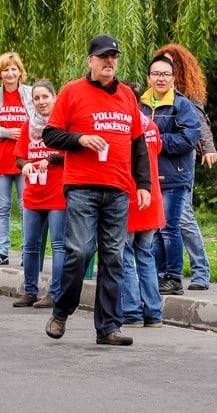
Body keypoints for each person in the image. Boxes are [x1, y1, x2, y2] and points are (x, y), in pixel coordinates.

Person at [41, 34, 151, 346]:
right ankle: (61, 312)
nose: (109, 61)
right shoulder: (72, 91)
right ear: (90, 60)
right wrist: (80, 140)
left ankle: (109, 327)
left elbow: (138, 143)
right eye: (103, 56)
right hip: (82, 187)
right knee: (79, 252)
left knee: (114, 257)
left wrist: (143, 185)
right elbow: (50, 134)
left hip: (118, 188)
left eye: (114, 57)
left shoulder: (128, 97)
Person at [153, 43, 216, 290]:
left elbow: (200, 124)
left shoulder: (185, 97)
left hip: (180, 163)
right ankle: (162, 273)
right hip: (159, 164)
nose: (164, 71)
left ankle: (201, 271)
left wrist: (208, 148)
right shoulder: (154, 96)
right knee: (165, 221)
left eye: (170, 65)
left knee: (183, 218)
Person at [140, 54, 200, 296]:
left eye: (165, 74)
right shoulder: (141, 105)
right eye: (156, 74)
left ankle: (173, 277)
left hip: (174, 176)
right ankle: (156, 274)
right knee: (154, 228)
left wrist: (156, 141)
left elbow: (189, 138)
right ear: (148, 78)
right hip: (150, 176)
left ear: (173, 79)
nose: (160, 78)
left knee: (169, 228)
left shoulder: (182, 105)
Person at [12, 79, 66, 309]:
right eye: (37, 98)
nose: (41, 101)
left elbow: (71, 154)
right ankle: (30, 290)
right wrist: (24, 164)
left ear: (54, 98)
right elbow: (19, 157)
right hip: (33, 192)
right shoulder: (28, 125)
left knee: (59, 245)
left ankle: (56, 294)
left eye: (45, 97)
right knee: (31, 245)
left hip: (57, 193)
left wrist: (50, 158)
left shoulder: (62, 124)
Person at [0, 52, 33, 265]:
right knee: (2, 207)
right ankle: (2, 251)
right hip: (1, 157)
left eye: (14, 69)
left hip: (25, 158)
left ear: (20, 72)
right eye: (5, 69)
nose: (10, 73)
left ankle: (27, 253)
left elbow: (42, 119)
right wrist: (5, 132)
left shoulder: (31, 93)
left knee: (26, 206)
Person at [120, 82, 165, 328]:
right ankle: (154, 313)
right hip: (151, 196)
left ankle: (131, 312)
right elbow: (155, 152)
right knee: (145, 255)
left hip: (128, 196)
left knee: (126, 255)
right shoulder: (151, 124)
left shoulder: (122, 126)